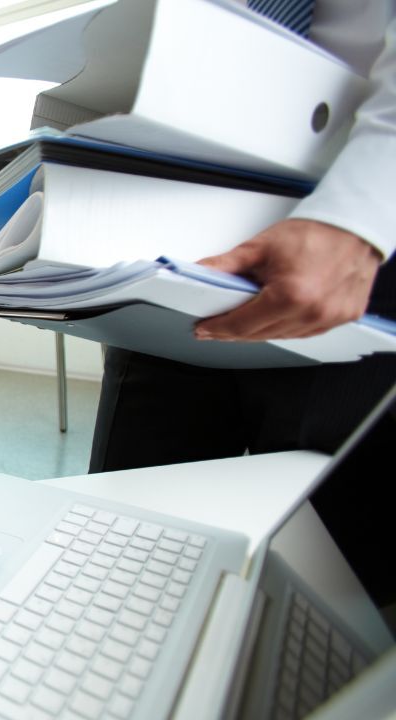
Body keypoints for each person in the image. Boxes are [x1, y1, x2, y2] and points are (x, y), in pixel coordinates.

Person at [89, 0, 396, 472]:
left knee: (319, 526)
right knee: (132, 509)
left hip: (363, 247)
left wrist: (358, 214)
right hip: (183, 249)